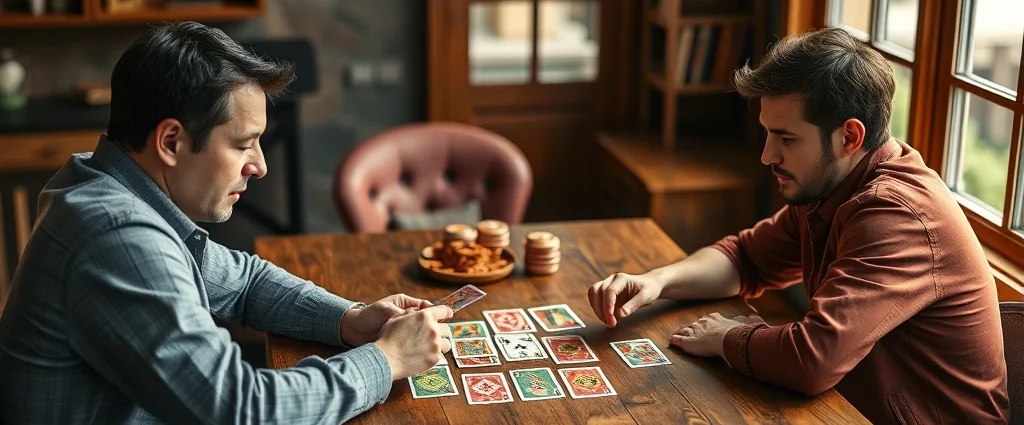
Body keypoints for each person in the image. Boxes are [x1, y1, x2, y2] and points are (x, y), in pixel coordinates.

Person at [0, 22, 452, 424]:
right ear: (171, 141)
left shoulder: (114, 185)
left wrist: (350, 319)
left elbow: (243, 282)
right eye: (243, 144)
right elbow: (242, 409)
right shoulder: (116, 235)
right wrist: (387, 358)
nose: (259, 166)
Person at [588, 27, 1009, 424]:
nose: (767, 155)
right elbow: (747, 258)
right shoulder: (835, 183)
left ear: (849, 137)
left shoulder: (896, 215)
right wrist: (656, 282)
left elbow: (813, 360)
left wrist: (728, 336)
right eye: (768, 134)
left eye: (786, 139)